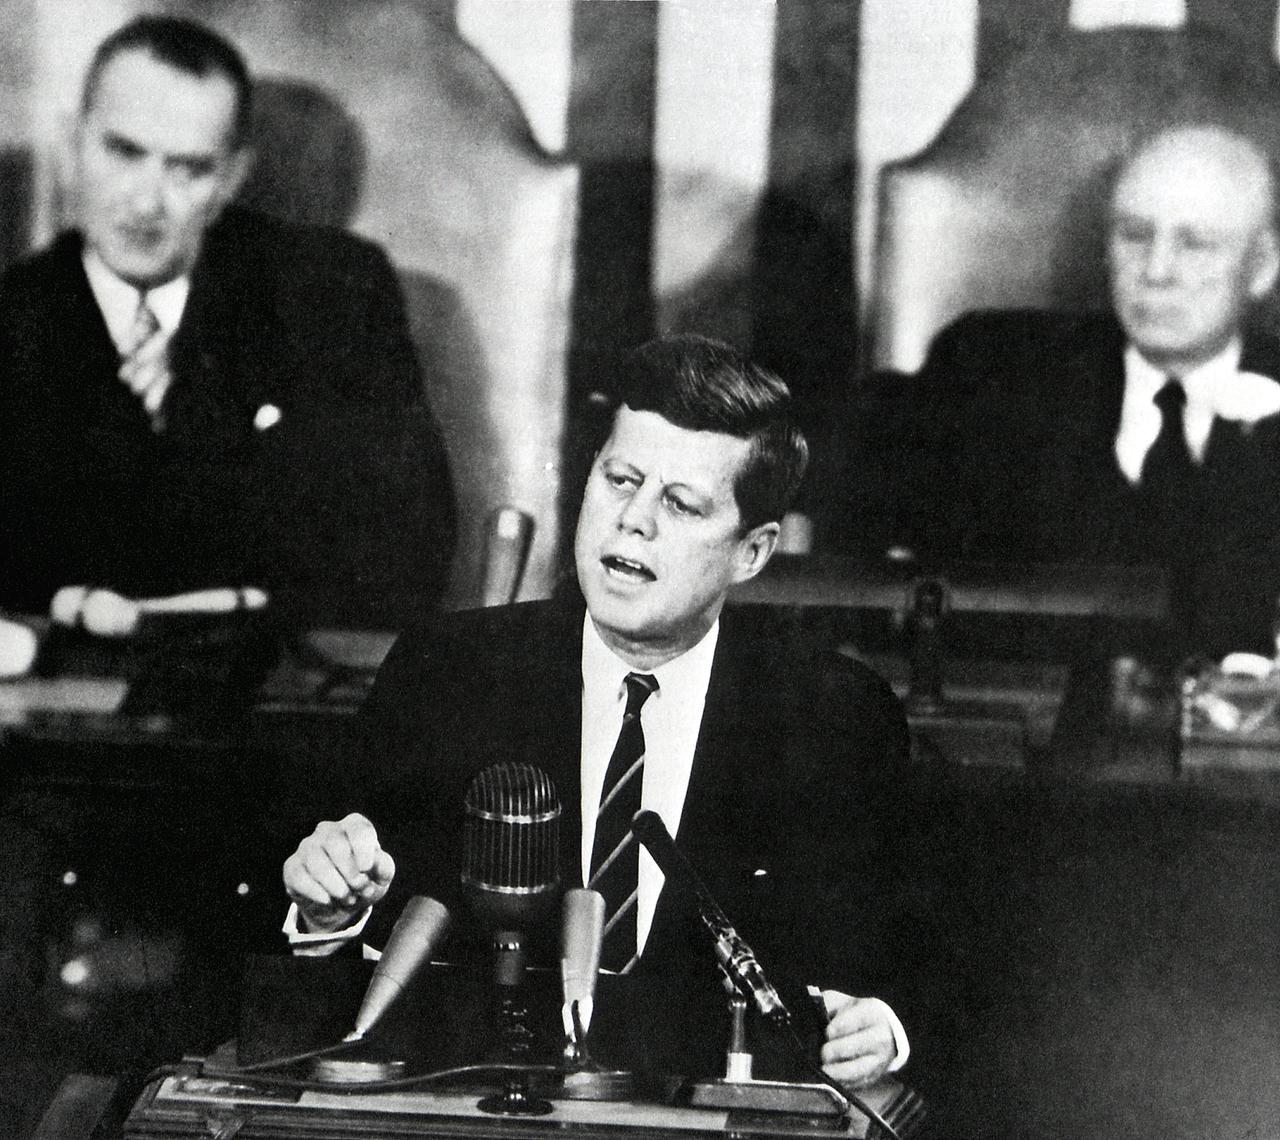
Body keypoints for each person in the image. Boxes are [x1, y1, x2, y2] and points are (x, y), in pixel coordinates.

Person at [282, 335, 932, 1092]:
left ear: (752, 552)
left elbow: (908, 962)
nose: (633, 521)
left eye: (680, 504)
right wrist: (328, 915)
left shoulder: (835, 717)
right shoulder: (446, 674)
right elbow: (345, 971)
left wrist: (882, 1026)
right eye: (620, 479)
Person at [0, 15, 456, 628]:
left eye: (189, 168)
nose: (146, 202)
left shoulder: (331, 295)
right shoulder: (14, 316)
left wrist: (216, 417)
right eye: (124, 151)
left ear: (233, 177)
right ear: (73, 142)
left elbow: (406, 553)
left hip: (275, 694)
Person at [904, 122, 1280, 655]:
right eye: (1134, 234)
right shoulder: (990, 374)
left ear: (1261, 266)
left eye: (1194, 243)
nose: (1157, 270)